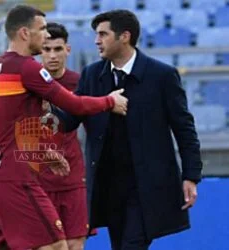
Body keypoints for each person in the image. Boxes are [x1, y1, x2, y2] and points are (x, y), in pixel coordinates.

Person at [0, 5, 128, 250]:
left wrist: (42, 152)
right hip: (18, 178)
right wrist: (109, 101)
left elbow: (10, 124)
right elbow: (73, 104)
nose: (46, 35)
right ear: (25, 33)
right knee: (57, 246)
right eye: (42, 29)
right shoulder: (28, 67)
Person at [53, 10, 203, 250]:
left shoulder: (162, 75)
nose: (96, 40)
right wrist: (43, 98)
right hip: (107, 184)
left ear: (124, 36)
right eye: (96, 35)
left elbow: (184, 128)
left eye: (103, 34)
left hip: (147, 186)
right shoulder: (92, 75)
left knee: (131, 245)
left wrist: (191, 175)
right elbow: (70, 120)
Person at [39, 22, 90, 250]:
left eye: (57, 49)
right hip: (38, 180)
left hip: (73, 175)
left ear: (67, 49)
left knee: (76, 242)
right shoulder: (28, 84)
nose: (52, 55)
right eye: (46, 49)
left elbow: (94, 127)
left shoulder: (81, 82)